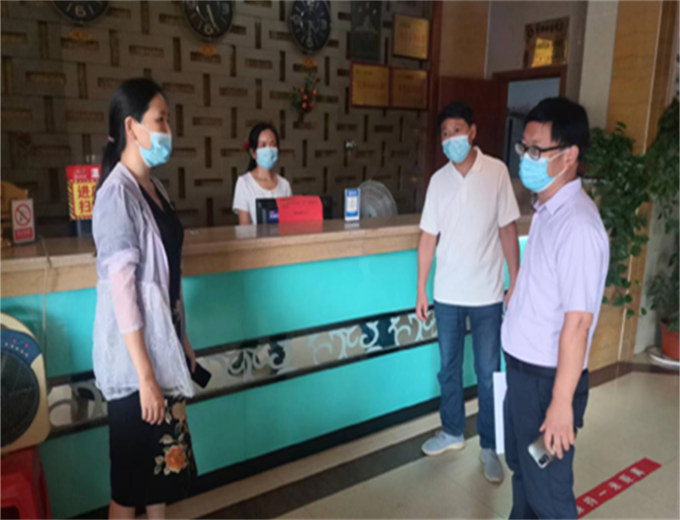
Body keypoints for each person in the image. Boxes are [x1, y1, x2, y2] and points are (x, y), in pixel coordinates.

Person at [93, 78, 198, 520]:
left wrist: (183, 339)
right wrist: (146, 378)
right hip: (136, 367)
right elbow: (124, 294)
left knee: (162, 474)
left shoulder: (155, 189)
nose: (168, 130)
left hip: (164, 349)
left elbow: (170, 276)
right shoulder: (116, 195)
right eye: (161, 120)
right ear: (132, 127)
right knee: (130, 485)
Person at [502, 97, 609, 520]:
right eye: (523, 148)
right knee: (524, 477)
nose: (525, 158)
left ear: (569, 156)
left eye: (536, 150)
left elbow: (578, 323)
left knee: (549, 496)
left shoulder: (578, 225)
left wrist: (561, 402)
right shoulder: (548, 210)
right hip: (523, 374)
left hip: (547, 384)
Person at [417, 101, 521, 483]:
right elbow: (428, 238)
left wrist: (515, 280)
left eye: (457, 131)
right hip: (447, 293)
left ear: (472, 132)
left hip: (488, 294)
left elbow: (508, 230)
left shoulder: (496, 172)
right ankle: (452, 432)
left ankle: (490, 447)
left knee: (488, 373)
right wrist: (421, 289)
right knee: (448, 368)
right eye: (445, 134)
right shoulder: (438, 181)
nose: (451, 139)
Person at [232, 123, 292, 225]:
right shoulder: (244, 183)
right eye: (263, 145)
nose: (269, 150)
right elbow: (244, 227)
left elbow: (290, 222)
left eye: (273, 145)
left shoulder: (285, 185)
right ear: (253, 153)